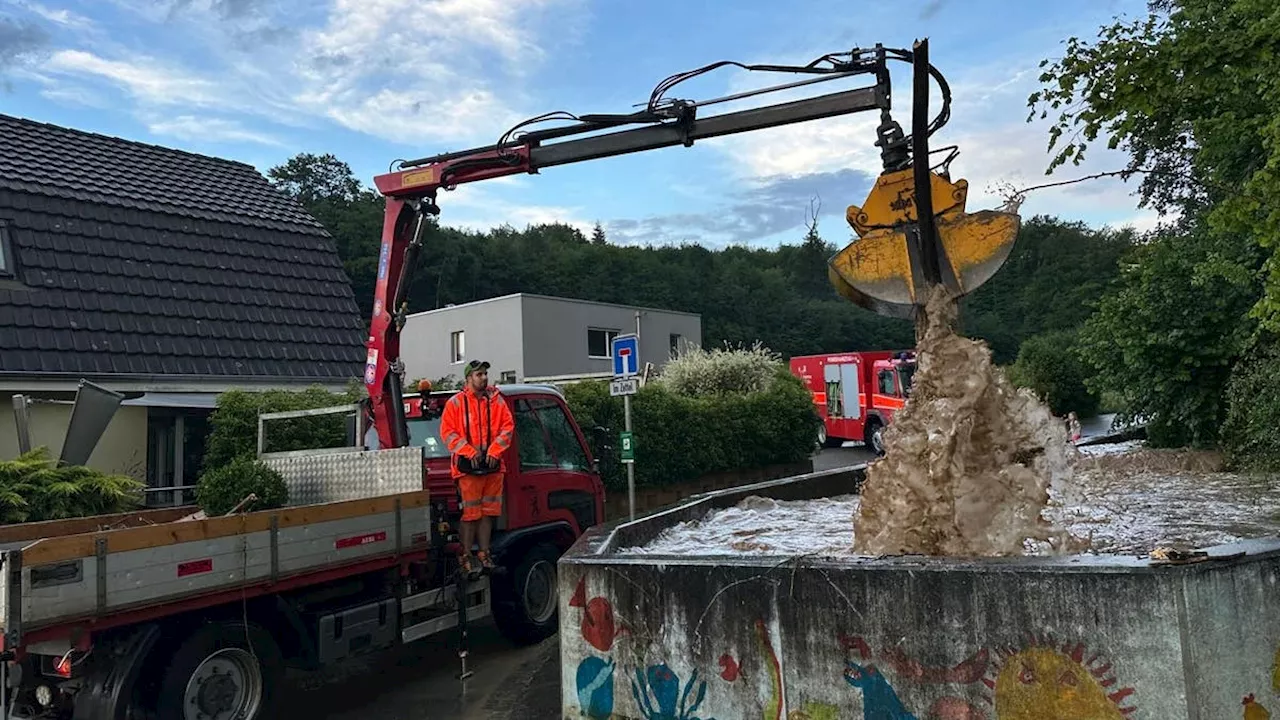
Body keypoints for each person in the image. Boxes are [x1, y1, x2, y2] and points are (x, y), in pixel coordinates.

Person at [438, 360, 514, 575]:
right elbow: (448, 433)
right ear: (468, 378)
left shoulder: (497, 401)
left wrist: (494, 451)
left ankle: (484, 553)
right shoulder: (456, 404)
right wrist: (469, 452)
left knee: (487, 513)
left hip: (492, 466)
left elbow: (507, 428)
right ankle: (465, 557)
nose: (483, 378)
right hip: (468, 468)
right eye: (479, 374)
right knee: (470, 514)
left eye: (485, 374)